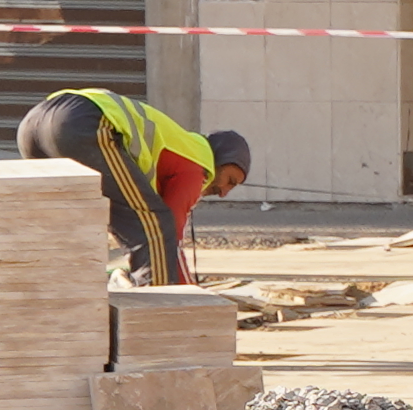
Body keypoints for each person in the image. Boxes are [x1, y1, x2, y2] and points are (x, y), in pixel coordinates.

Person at [18, 86, 246, 284]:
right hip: (82, 122)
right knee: (154, 225)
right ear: (220, 160)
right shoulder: (197, 164)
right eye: (229, 180)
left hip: (33, 124)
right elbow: (167, 237)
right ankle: (160, 312)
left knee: (70, 225)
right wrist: (187, 296)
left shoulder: (179, 144)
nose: (224, 192)